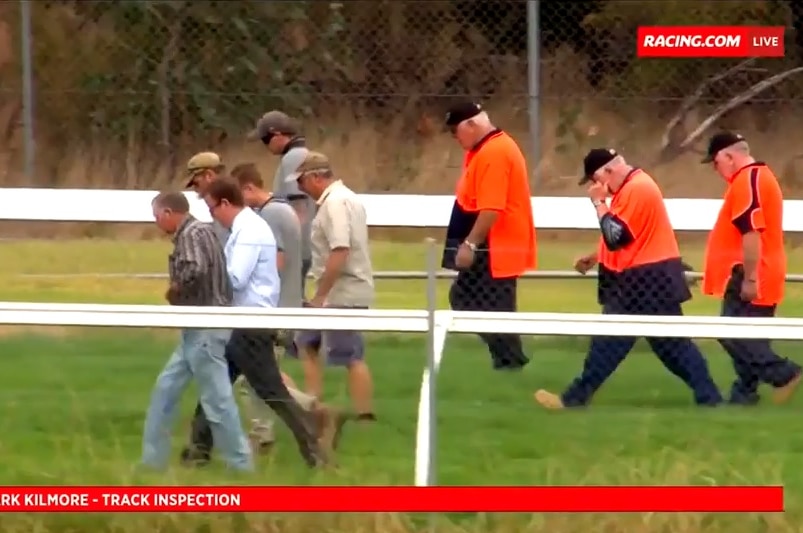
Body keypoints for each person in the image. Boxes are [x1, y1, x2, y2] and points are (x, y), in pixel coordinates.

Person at [534, 148, 723, 409]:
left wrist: (599, 204)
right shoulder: (634, 187)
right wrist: (595, 256)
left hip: (644, 281)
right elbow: (628, 235)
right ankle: (710, 398)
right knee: (670, 346)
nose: (596, 187)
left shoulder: (637, 189)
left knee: (617, 343)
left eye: (595, 181)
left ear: (607, 172)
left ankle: (574, 399)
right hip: (645, 280)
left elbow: (617, 237)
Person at [188, 178, 327, 467]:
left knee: (271, 392)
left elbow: (235, 279)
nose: (213, 216)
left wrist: (205, 278)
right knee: (216, 385)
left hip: (250, 324)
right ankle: (197, 450)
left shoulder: (249, 230)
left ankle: (315, 450)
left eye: (213, 209)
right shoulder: (244, 227)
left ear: (226, 203)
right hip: (242, 321)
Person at [230, 162, 349, 450]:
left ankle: (302, 418)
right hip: (288, 302)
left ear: (248, 188)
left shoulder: (269, 215)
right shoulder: (284, 210)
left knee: (254, 379)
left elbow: (276, 262)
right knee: (265, 373)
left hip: (273, 309)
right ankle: (303, 417)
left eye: (237, 196)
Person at [142, 191, 252, 471]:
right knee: (165, 390)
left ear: (168, 213)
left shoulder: (190, 234)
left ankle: (240, 464)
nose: (156, 223)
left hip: (206, 326)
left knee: (217, 400)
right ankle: (152, 462)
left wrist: (175, 289)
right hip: (198, 327)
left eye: (157, 217)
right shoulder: (203, 230)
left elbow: (194, 268)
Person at [701, 132, 802, 405]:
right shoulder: (755, 178)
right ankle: (744, 394)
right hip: (759, 269)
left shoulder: (749, 180)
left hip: (751, 271)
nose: (715, 168)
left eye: (716, 161)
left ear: (729, 156)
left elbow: (751, 231)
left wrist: (750, 277)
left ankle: (784, 373)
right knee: (751, 336)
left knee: (733, 333)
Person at [442, 102, 535, 371]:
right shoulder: (485, 149)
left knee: (482, 303)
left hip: (495, 247)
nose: (454, 138)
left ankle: (510, 361)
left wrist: (470, 243)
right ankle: (508, 360)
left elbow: (492, 207)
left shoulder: (494, 152)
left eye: (455, 131)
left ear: (472, 125)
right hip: (492, 245)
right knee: (474, 301)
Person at [288, 152, 376, 421]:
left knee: (349, 353)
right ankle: (312, 404)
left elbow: (340, 249)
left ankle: (364, 414)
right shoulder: (345, 198)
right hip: (335, 291)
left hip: (343, 292)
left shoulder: (335, 204)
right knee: (305, 341)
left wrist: (321, 296)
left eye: (301, 182)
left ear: (316, 177)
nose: (300, 188)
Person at [247, 110, 315, 291]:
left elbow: (298, 207)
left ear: (277, 135)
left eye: (265, 140)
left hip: (295, 247)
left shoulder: (293, 158)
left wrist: (290, 247)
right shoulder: (298, 155)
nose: (265, 146)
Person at [184, 151, 229, 245]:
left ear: (209, 176)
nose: (196, 190)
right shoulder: (223, 207)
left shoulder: (229, 209)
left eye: (197, 184)